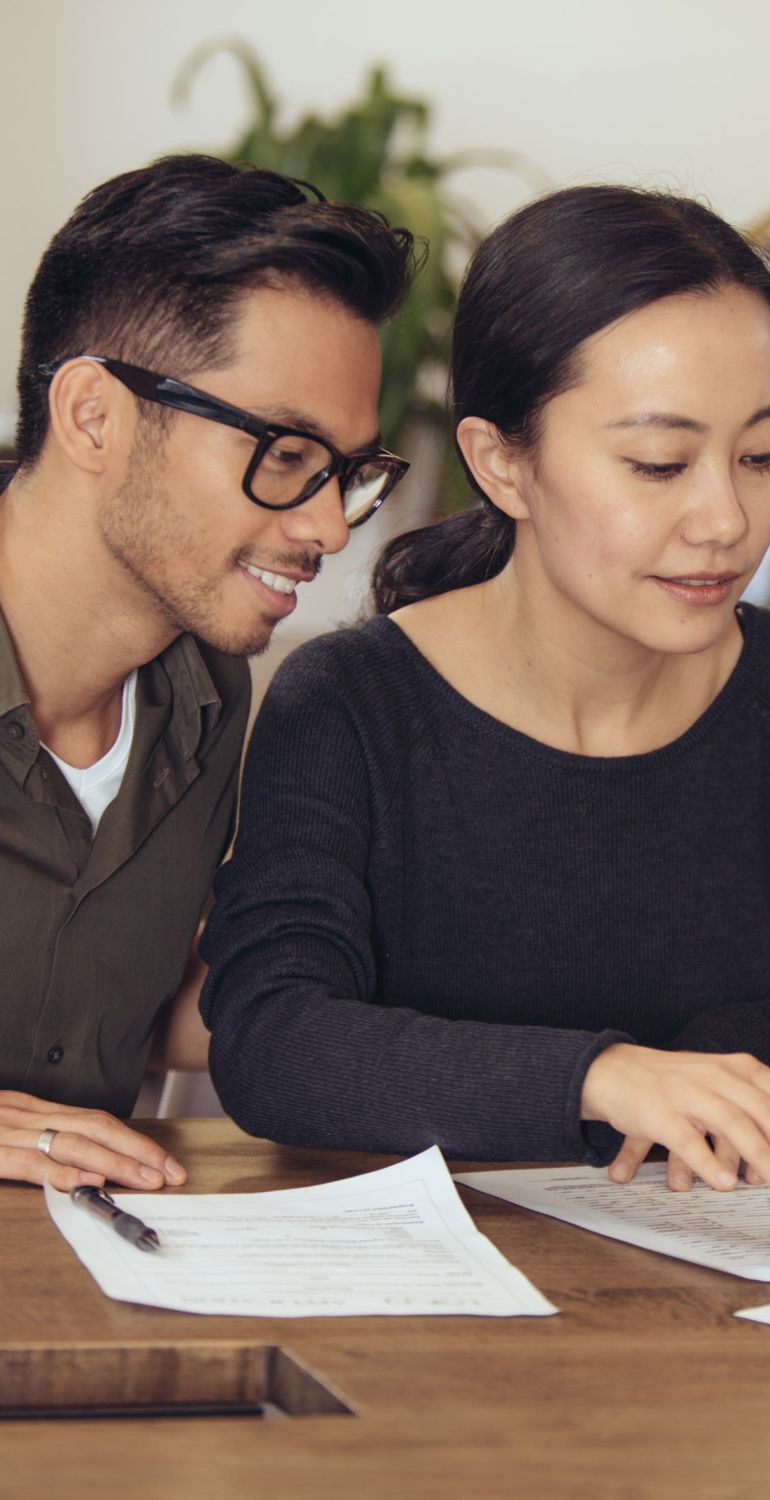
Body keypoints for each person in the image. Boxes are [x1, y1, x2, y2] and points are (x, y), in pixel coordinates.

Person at [200, 185, 770, 1193]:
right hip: (427, 1314)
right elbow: (274, 1043)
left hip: (719, 1304)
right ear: (502, 465)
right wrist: (600, 1076)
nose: (726, 518)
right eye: (660, 464)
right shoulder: (353, 703)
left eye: (761, 453)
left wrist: (722, 1059)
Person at [0, 155, 416, 1194]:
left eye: (346, 474)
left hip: (88, 1300)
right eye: (283, 453)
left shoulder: (208, 695)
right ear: (94, 415)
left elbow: (171, 1013)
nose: (327, 527)